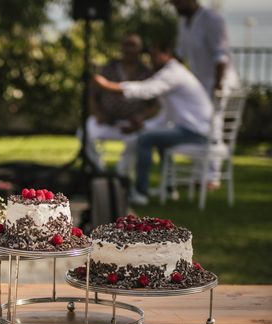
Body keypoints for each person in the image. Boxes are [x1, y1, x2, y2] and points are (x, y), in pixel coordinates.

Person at [93, 40, 213, 206]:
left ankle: (140, 193)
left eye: (155, 55)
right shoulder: (176, 73)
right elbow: (167, 116)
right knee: (158, 138)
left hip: (195, 132)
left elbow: (146, 90)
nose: (152, 60)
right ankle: (169, 188)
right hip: (194, 129)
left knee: (146, 140)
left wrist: (108, 85)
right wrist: (143, 125)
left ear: (167, 53)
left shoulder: (173, 73)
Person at [171, 0, 241, 189]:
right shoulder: (183, 23)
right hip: (199, 87)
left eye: (176, 2)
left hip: (219, 83)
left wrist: (217, 89)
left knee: (213, 124)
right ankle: (200, 175)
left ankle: (213, 176)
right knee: (198, 126)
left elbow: (221, 56)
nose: (174, 6)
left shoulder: (212, 19)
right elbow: (180, 54)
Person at [86, 34, 161, 174]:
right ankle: (98, 171)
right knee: (85, 130)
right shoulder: (108, 68)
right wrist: (98, 113)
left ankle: (121, 176)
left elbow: (155, 105)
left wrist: (141, 117)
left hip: (131, 123)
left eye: (133, 46)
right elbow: (93, 95)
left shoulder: (147, 73)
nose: (129, 49)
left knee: (137, 139)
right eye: (127, 45)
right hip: (107, 120)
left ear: (139, 49)